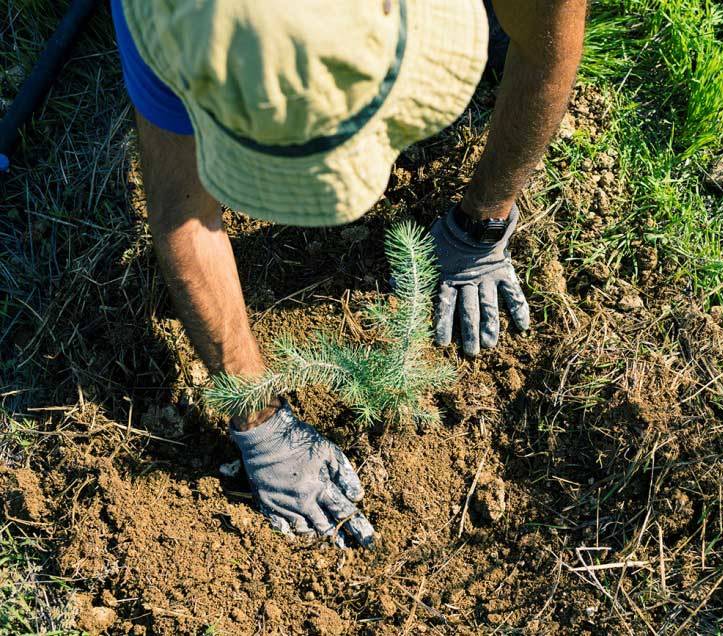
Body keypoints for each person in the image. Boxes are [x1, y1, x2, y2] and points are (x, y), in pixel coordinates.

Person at [111, 0, 586, 548]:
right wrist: (259, 420)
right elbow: (185, 217)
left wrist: (485, 223)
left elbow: (552, 40)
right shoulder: (185, 29)